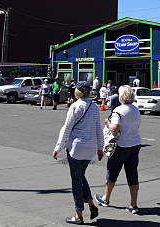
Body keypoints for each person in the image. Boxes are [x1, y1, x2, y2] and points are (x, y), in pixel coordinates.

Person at [53, 81, 103, 225]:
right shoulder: (94, 107)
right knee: (80, 176)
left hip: (76, 148)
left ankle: (78, 214)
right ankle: (91, 205)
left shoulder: (75, 106)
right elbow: (98, 128)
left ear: (78, 92)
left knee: (76, 181)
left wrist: (58, 148)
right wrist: (100, 147)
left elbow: (67, 128)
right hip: (90, 148)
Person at [96, 85, 141, 214]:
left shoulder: (118, 110)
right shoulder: (135, 109)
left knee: (112, 171)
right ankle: (133, 204)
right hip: (135, 144)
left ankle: (105, 198)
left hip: (121, 146)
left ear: (121, 96)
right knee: (132, 173)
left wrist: (107, 124)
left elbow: (114, 128)